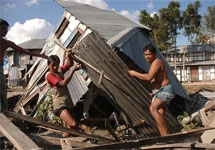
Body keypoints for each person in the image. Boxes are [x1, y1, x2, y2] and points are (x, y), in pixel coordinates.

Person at [0, 18, 47, 112]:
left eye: (7, 29)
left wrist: (40, 55)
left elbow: (24, 51)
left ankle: (4, 112)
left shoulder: (6, 43)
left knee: (2, 91)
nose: (6, 31)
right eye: (4, 28)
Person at [128, 44, 175, 136]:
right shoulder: (153, 64)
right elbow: (155, 79)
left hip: (166, 90)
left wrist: (134, 73)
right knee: (159, 115)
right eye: (145, 55)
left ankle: (167, 136)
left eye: (149, 54)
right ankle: (164, 137)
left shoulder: (157, 62)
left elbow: (149, 77)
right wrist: (154, 91)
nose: (147, 56)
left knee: (153, 109)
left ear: (154, 54)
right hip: (159, 92)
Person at [46, 52, 81, 137]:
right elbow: (62, 83)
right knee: (73, 124)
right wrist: (73, 71)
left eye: (57, 65)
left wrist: (69, 55)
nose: (55, 67)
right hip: (59, 105)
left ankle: (61, 142)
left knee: (69, 129)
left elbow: (69, 64)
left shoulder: (59, 71)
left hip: (67, 103)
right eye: (53, 65)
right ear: (48, 65)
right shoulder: (50, 75)